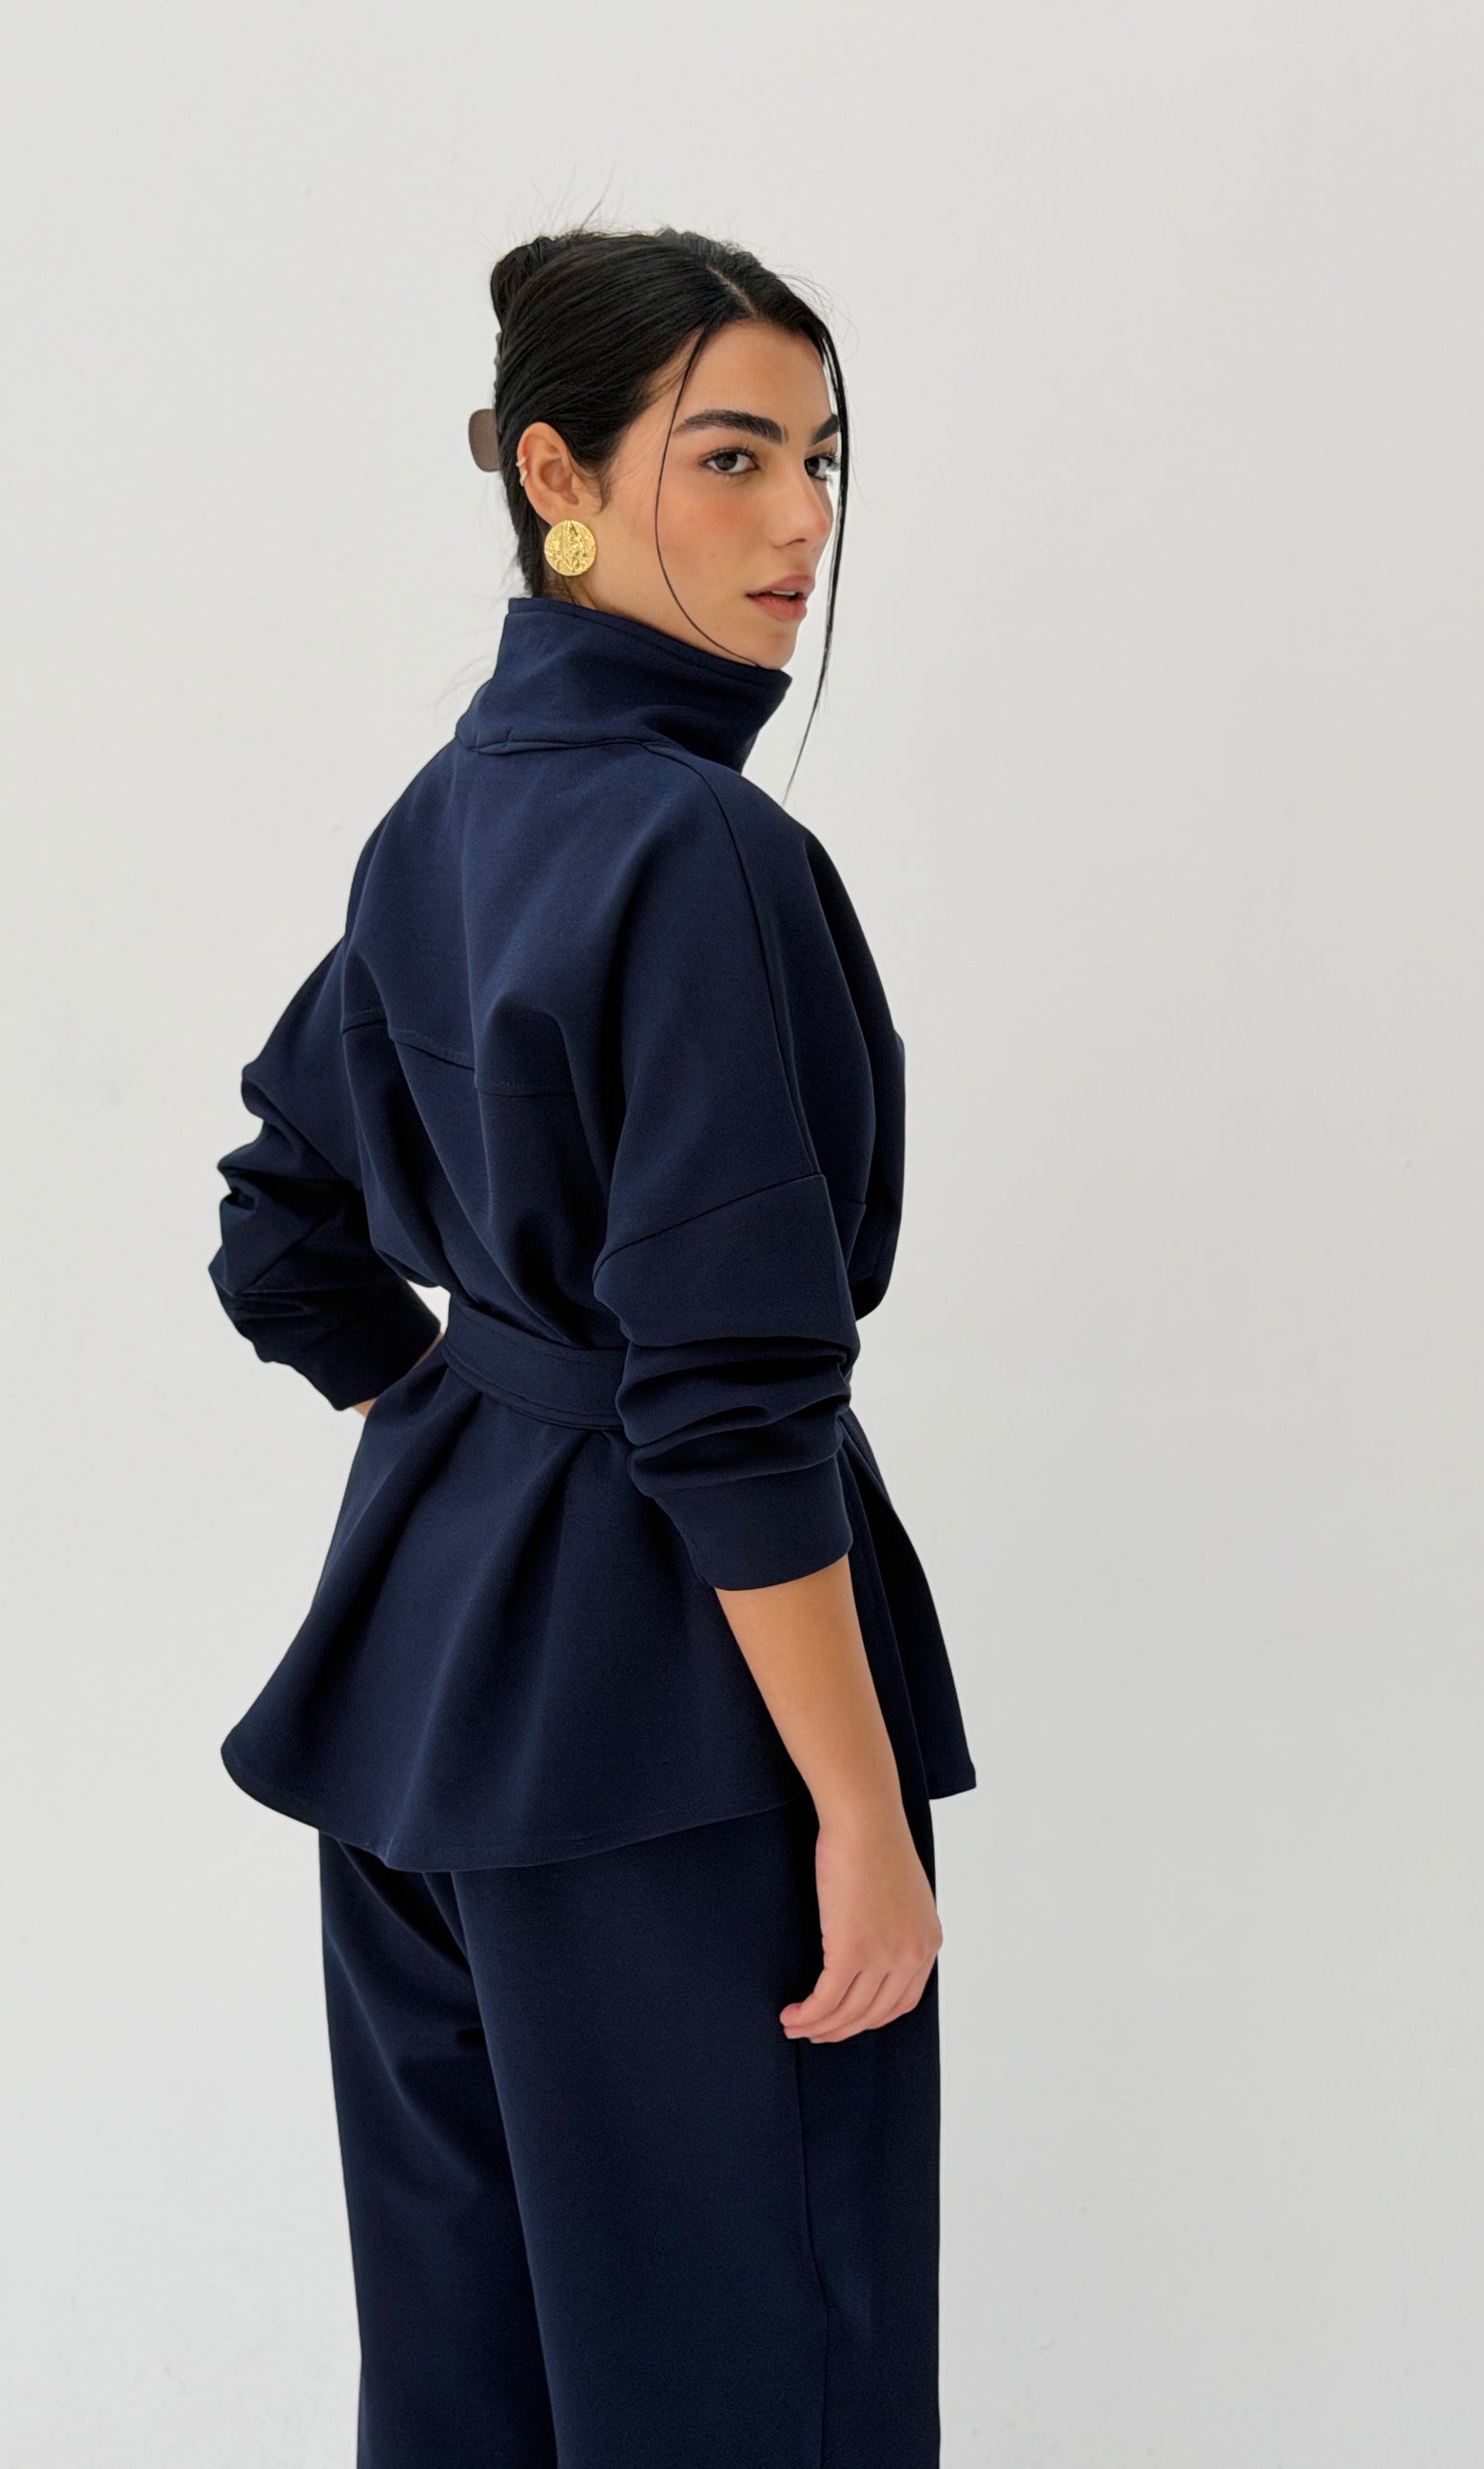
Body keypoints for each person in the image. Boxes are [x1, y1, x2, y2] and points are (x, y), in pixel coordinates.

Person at [206, 224, 978, 2467]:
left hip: (426, 1695)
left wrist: (478, 1429)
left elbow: (281, 1226)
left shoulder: (446, 817)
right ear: (555, 475)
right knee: (757, 2392)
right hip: (681, 1741)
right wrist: (861, 1811)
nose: (800, 518)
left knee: (474, 2391)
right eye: (728, 456)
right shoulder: (697, 851)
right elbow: (731, 1397)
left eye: (821, 459)